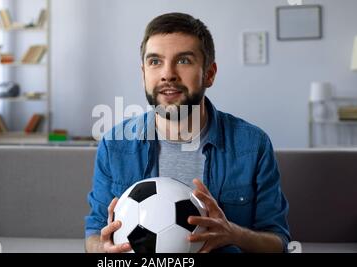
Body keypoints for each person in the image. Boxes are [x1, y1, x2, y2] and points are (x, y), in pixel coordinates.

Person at [85, 12, 290, 253]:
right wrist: (103, 249)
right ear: (143, 75)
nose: (167, 74)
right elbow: (94, 235)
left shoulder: (253, 145)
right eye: (155, 61)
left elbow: (278, 243)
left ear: (209, 74)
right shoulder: (114, 145)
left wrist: (233, 234)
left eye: (183, 60)